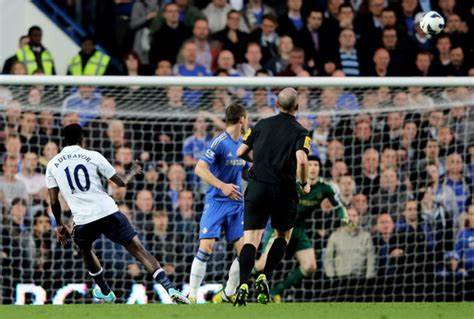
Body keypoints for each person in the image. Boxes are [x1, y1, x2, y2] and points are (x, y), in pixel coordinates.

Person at [45, 124, 189, 304]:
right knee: (138, 249)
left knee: (85, 249)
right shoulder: (93, 155)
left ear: (62, 141)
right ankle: (170, 288)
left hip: (83, 219)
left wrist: (59, 224)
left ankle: (105, 290)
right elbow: (119, 183)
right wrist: (132, 172)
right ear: (82, 139)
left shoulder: (52, 165)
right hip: (108, 211)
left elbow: (53, 201)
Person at [234, 87, 311, 306]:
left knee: (251, 240)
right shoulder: (300, 131)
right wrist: (304, 183)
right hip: (284, 190)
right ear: (297, 107)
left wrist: (258, 162)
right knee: (282, 236)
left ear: (277, 105)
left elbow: (240, 152)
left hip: (258, 187)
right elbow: (302, 160)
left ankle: (243, 284)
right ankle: (264, 276)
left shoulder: (261, 125)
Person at [255, 155, 349, 302]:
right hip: (280, 228)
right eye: (309, 165)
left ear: (320, 168)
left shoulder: (325, 188)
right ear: (302, 168)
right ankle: (229, 286)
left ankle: (275, 292)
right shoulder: (290, 182)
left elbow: (338, 206)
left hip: (299, 230)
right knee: (261, 265)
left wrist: (344, 217)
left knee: (310, 265)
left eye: (316, 165)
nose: (312, 168)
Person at [188, 103, 249, 304]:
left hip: (236, 203)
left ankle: (228, 293)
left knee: (245, 251)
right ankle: (192, 295)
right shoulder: (219, 142)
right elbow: (200, 168)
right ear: (242, 120)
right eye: (246, 119)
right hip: (216, 201)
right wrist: (222, 186)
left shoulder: (244, 143)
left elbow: (248, 169)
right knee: (206, 247)